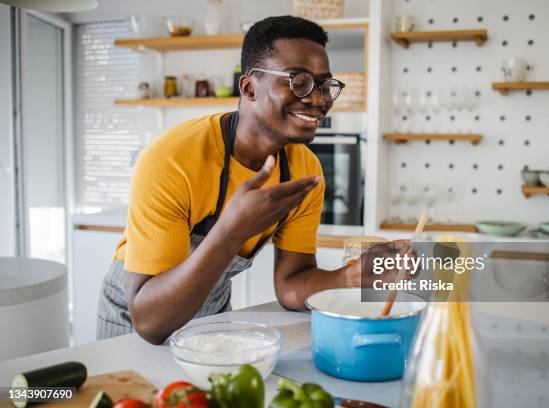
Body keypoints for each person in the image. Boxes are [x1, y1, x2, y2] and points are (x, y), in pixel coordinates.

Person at [97, 15, 372, 345]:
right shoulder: (173, 158)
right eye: (298, 81)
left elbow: (290, 285)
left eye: (325, 85)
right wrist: (232, 228)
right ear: (248, 87)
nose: (318, 99)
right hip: (134, 315)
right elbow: (151, 323)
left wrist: (351, 276)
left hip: (212, 310)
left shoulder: (305, 170)